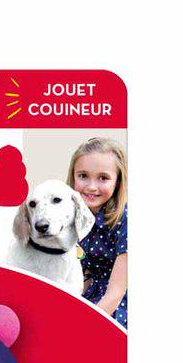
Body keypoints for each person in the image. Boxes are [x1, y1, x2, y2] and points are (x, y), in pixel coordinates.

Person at [67, 137, 128, 326]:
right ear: (73, 177)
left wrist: (85, 325)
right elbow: (81, 274)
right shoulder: (72, 218)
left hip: (114, 306)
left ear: (117, 182)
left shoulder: (126, 220)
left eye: (103, 178)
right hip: (89, 297)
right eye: (83, 176)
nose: (92, 187)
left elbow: (115, 294)